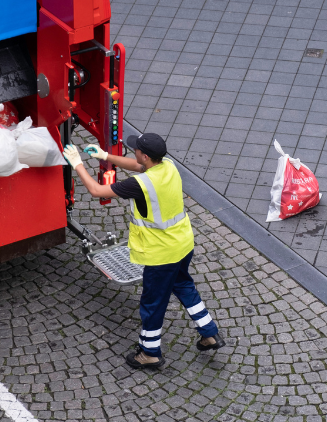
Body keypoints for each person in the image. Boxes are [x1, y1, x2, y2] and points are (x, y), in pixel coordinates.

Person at [63, 133, 225, 370]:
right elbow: (137, 165)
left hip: (162, 254)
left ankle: (149, 352)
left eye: (136, 150)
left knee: (153, 303)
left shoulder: (140, 185)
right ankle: (209, 332)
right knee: (183, 284)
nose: (134, 152)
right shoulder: (168, 166)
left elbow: (97, 191)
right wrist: (105, 155)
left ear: (146, 155)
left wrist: (77, 163)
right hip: (182, 243)